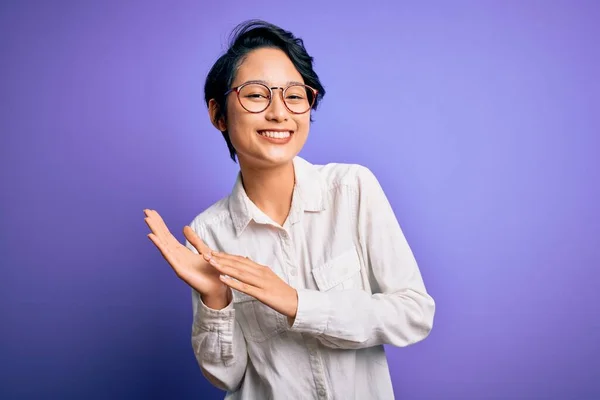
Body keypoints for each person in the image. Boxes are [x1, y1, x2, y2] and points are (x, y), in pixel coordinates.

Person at [144, 19, 435, 400]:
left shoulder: (351, 189)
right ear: (218, 114)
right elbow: (226, 377)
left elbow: (413, 313)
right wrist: (216, 298)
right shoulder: (208, 233)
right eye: (255, 95)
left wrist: (298, 302)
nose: (280, 112)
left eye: (295, 96)